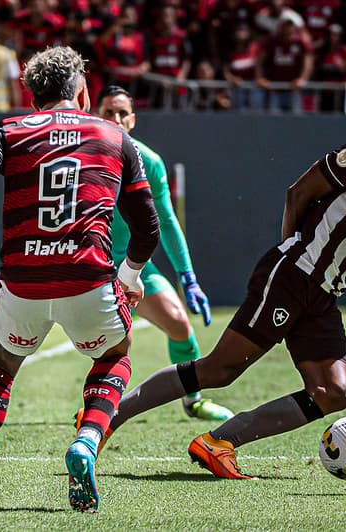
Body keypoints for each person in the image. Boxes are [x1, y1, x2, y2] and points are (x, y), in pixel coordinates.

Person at [79, 82, 346, 479]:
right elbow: (298, 193)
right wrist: (290, 253)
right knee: (219, 371)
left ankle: (218, 443)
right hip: (292, 275)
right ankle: (106, 420)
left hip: (325, 295)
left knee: (333, 393)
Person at [0, 46, 160, 512]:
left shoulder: (7, 132)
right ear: (82, 91)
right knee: (116, 356)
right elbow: (147, 227)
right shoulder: (115, 136)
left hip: (23, 285)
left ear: (32, 96)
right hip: (89, 283)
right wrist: (131, 274)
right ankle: (87, 440)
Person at [97, 85, 234, 421]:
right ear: (96, 116)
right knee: (117, 338)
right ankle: (98, 409)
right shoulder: (87, 155)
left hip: (133, 265)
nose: (115, 119)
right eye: (107, 112)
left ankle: (194, 400)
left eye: (121, 113)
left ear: (132, 119)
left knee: (178, 324)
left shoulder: (150, 162)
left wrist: (188, 278)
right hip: (91, 264)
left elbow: (168, 222)